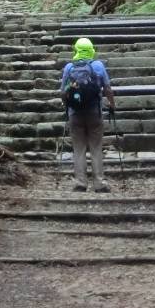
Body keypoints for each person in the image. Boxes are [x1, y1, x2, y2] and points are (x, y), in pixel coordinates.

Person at [60, 37, 116, 192]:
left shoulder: (69, 67)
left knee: (79, 149)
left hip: (75, 114)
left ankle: (80, 183)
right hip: (95, 112)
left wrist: (67, 107)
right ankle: (99, 183)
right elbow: (107, 89)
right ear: (91, 49)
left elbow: (63, 92)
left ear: (76, 50)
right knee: (96, 148)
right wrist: (112, 105)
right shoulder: (98, 65)